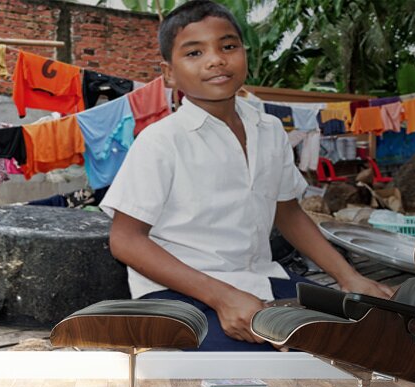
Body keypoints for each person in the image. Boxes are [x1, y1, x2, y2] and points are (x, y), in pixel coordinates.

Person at [99, 0, 394, 351]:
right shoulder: (162, 141)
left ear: (244, 53)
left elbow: (288, 212)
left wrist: (350, 277)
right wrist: (223, 297)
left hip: (262, 280)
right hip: (181, 294)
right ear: (169, 73)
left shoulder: (268, 129)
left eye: (228, 46)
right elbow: (126, 240)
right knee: (257, 371)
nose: (216, 60)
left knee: (367, 336)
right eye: (194, 53)